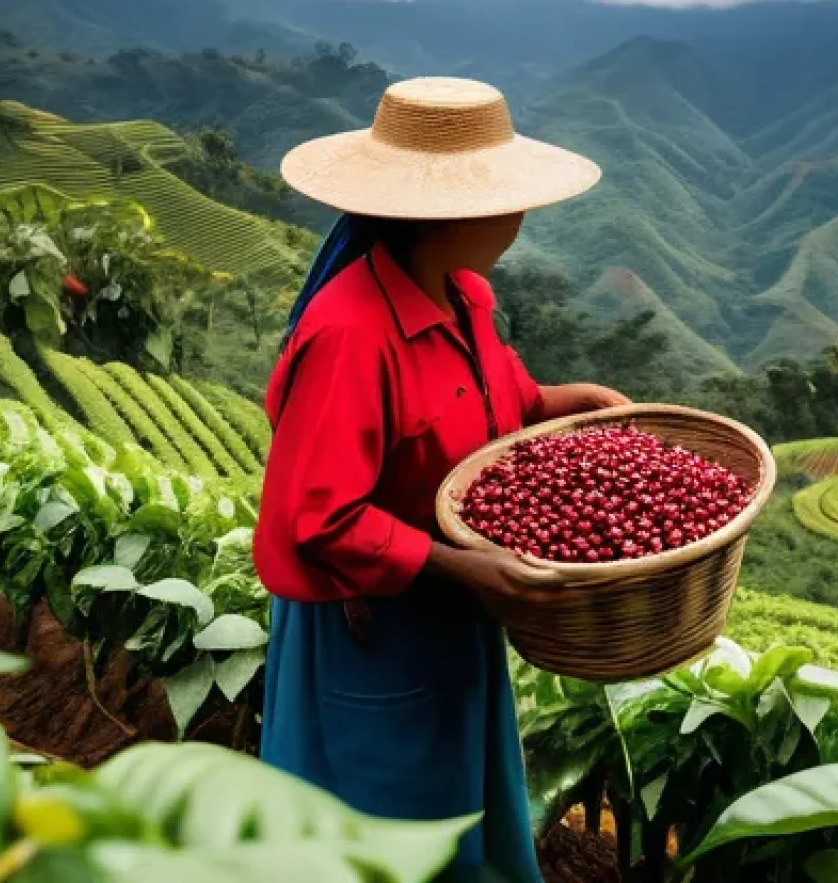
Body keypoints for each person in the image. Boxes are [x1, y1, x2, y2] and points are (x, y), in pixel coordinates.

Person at [253, 77, 628, 882]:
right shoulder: (351, 336)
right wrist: (462, 564)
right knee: (382, 832)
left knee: (457, 819)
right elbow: (318, 519)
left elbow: (499, 406)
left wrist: (570, 403)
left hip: (449, 617)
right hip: (376, 637)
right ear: (452, 215)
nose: (523, 217)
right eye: (509, 199)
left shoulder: (463, 297)